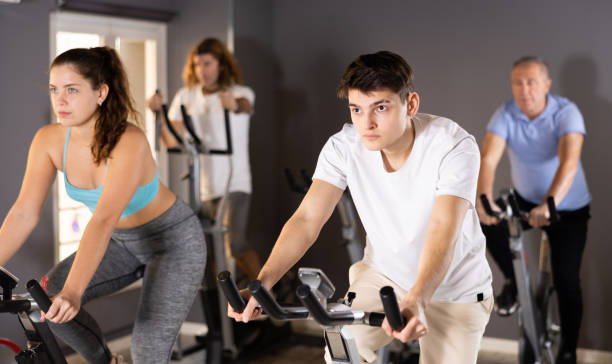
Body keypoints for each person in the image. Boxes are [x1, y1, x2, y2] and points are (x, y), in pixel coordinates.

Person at [229, 51, 493, 364]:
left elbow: (442, 229)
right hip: (384, 277)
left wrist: (418, 296)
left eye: (380, 107)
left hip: (455, 289)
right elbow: (306, 219)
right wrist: (263, 284)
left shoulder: (452, 145)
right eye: (357, 109)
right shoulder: (344, 147)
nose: (366, 123)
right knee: (343, 353)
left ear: (410, 104)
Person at [0, 47, 206, 364]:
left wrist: (74, 291)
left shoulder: (129, 141)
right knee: (50, 296)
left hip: (173, 242)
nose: (60, 100)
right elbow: (24, 212)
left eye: (72, 89)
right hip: (121, 244)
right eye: (55, 89)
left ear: (101, 92)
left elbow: (104, 219)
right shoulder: (49, 140)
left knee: (147, 351)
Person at [477, 56, 591, 364]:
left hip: (567, 207)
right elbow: (488, 159)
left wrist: (550, 204)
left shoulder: (566, 113)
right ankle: (514, 282)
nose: (524, 89)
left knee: (566, 280)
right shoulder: (506, 114)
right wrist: (483, 198)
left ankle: (568, 350)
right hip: (526, 202)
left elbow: (569, 162)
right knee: (485, 220)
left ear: (546, 85)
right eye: (518, 82)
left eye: (531, 82)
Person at [148, 37, 262, 281]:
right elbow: (170, 140)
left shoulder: (241, 93)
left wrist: (233, 104)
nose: (202, 70)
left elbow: (244, 106)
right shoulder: (186, 97)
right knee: (207, 252)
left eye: (208, 64)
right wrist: (159, 114)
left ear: (221, 64)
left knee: (236, 244)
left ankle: (268, 295)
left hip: (235, 182)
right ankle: (221, 309)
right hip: (204, 187)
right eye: (198, 65)